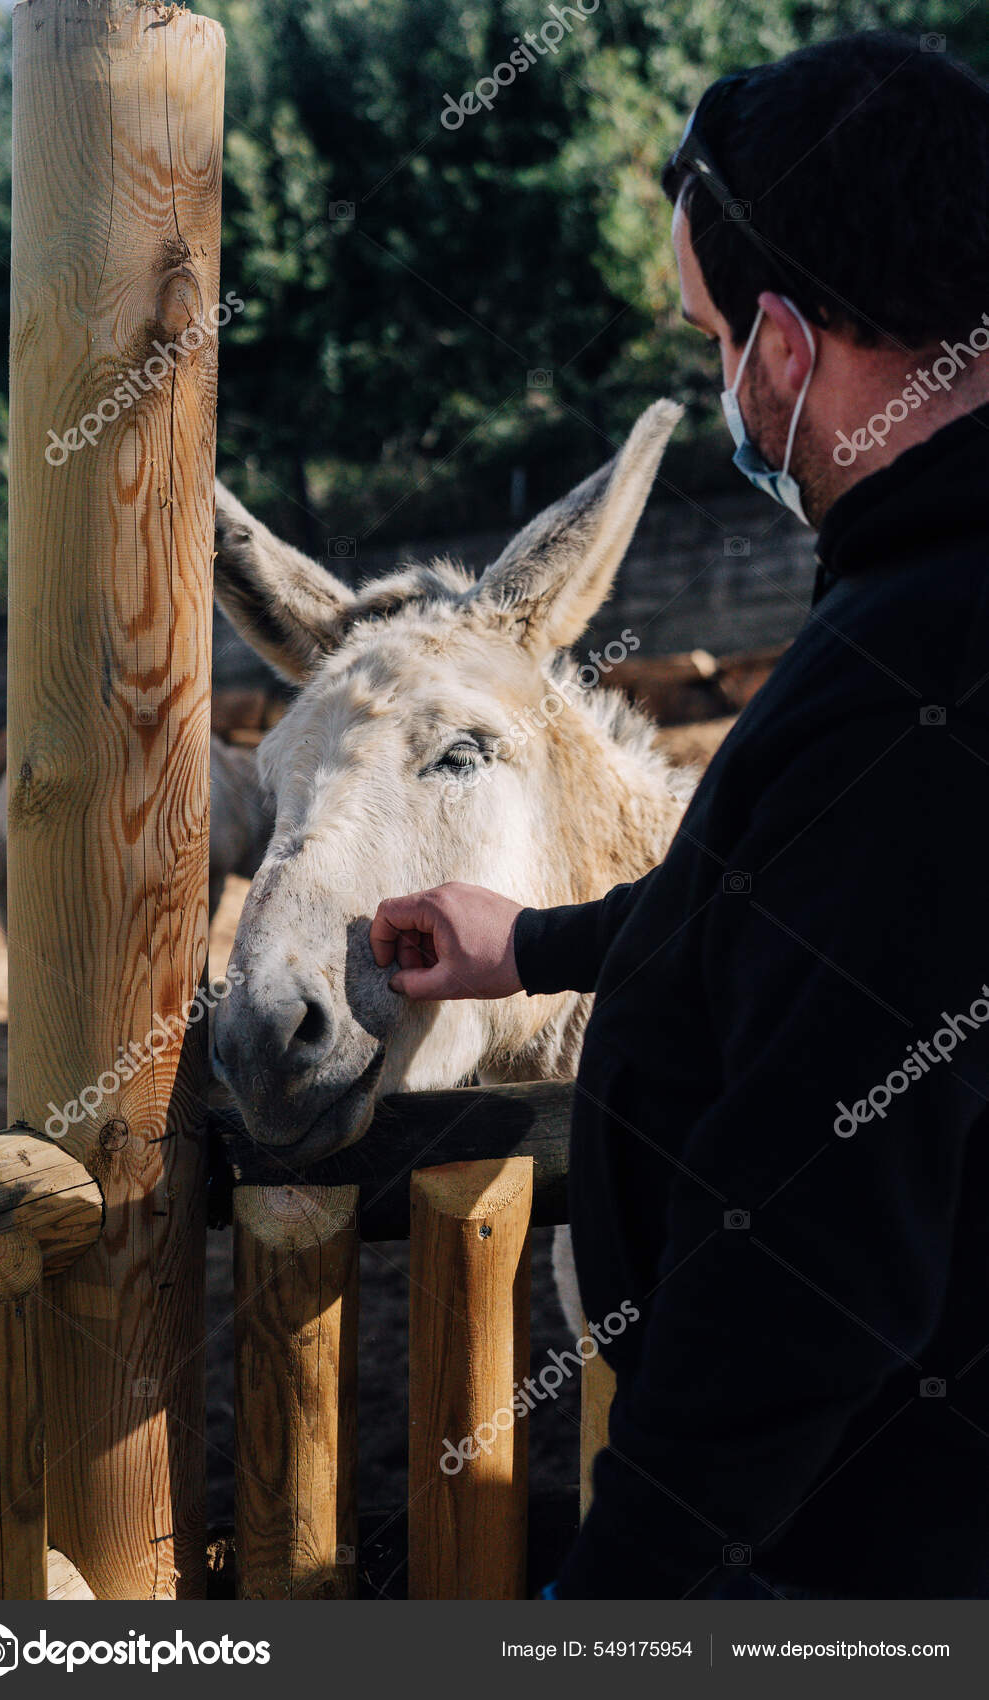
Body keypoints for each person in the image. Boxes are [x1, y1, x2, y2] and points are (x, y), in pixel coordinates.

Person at [369, 31, 989, 1600]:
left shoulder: (924, 664)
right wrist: (545, 944)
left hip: (876, 1551)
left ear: (784, 348)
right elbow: (844, 903)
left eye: (716, 340)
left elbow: (819, 1255)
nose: (722, 383)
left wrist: (619, 1601)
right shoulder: (929, 606)